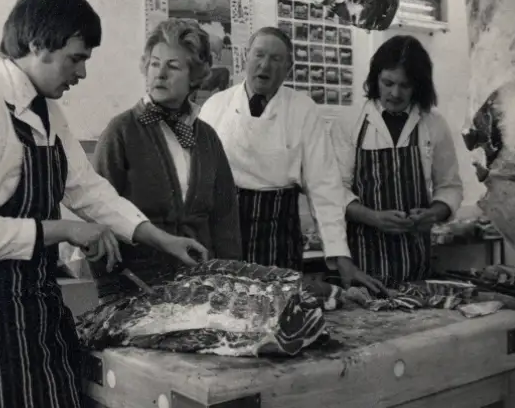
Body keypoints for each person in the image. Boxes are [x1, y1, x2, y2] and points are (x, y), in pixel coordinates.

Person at [0, 0, 209, 408]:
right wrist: (66, 230)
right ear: (39, 45)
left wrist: (160, 239)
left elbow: (89, 190)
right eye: (76, 59)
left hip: (33, 305)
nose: (82, 73)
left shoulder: (49, 112)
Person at [198, 27, 383, 293]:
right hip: (224, 232)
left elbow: (324, 187)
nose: (265, 65)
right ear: (245, 59)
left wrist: (341, 256)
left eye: (276, 59)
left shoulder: (303, 110)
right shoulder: (215, 106)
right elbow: (197, 180)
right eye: (259, 55)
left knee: (280, 312)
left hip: (278, 234)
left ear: (288, 68)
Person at [92, 20, 242, 295]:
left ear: (194, 76)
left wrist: (228, 280)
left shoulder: (207, 137)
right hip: (135, 285)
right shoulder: (121, 131)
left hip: (200, 284)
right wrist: (111, 288)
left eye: (172, 66)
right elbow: (97, 214)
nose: (160, 74)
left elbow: (225, 220)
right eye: (154, 64)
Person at [331, 35, 464, 287]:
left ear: (418, 86)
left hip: (416, 262)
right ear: (375, 79)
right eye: (388, 82)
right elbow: (335, 191)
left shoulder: (433, 123)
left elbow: (450, 186)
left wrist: (432, 214)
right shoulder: (349, 122)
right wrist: (373, 217)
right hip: (363, 265)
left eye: (405, 85)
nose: (395, 93)